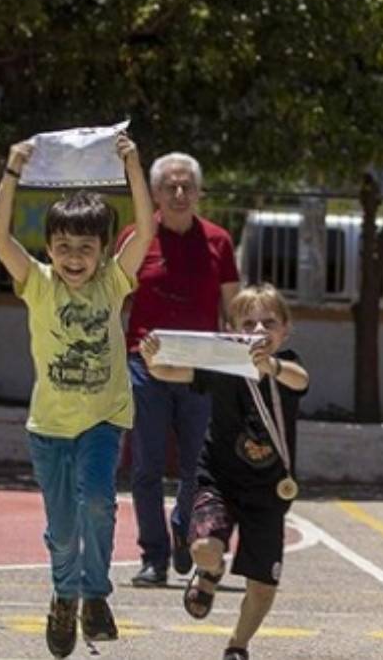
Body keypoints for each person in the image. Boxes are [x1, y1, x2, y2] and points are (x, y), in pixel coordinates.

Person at [0, 133, 154, 658]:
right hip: (50, 428)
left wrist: (133, 164)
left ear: (104, 251)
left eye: (86, 248)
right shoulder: (37, 283)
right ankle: (64, 596)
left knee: (100, 503)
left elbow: (146, 228)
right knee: (61, 530)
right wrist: (13, 170)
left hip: (104, 418)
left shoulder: (114, 282)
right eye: (63, 247)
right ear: (48, 248)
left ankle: (95, 597)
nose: (74, 257)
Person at [140, 283, 308, 660]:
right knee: (203, 549)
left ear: (285, 329)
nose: (258, 331)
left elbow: (301, 379)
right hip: (219, 478)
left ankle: (237, 645)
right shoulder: (223, 363)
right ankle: (210, 574)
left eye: (269, 322)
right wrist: (152, 359)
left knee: (263, 584)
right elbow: (170, 371)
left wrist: (272, 365)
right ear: (230, 328)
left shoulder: (287, 367)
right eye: (247, 323)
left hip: (268, 491)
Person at [119, 152, 241, 587]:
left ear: (199, 192)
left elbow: (234, 308)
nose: (178, 193)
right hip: (145, 366)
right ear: (153, 193)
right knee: (147, 467)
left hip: (203, 371)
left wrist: (246, 351)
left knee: (198, 467)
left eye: (187, 185)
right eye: (169, 186)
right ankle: (153, 556)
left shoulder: (219, 241)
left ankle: (186, 532)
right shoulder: (135, 237)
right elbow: (116, 299)